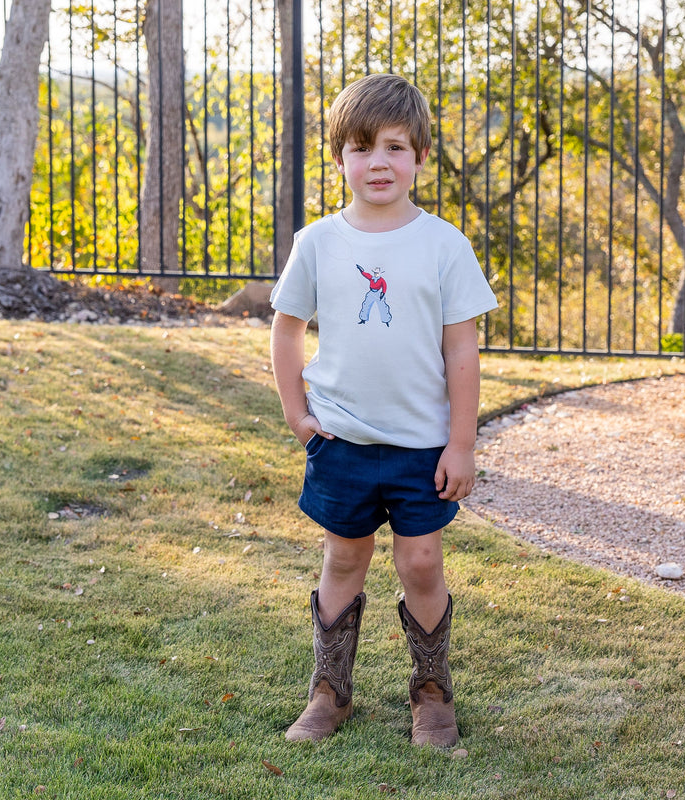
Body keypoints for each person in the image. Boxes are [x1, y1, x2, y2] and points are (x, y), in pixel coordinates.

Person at [269, 73, 498, 747]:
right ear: (339, 157)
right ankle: (328, 692)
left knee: (422, 561)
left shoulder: (444, 246)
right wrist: (296, 412)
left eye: (395, 148)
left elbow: (462, 350)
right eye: (362, 148)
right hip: (341, 439)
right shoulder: (318, 242)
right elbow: (286, 330)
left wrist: (462, 445)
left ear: (420, 157)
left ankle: (432, 694)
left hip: (422, 445)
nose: (378, 163)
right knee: (345, 557)